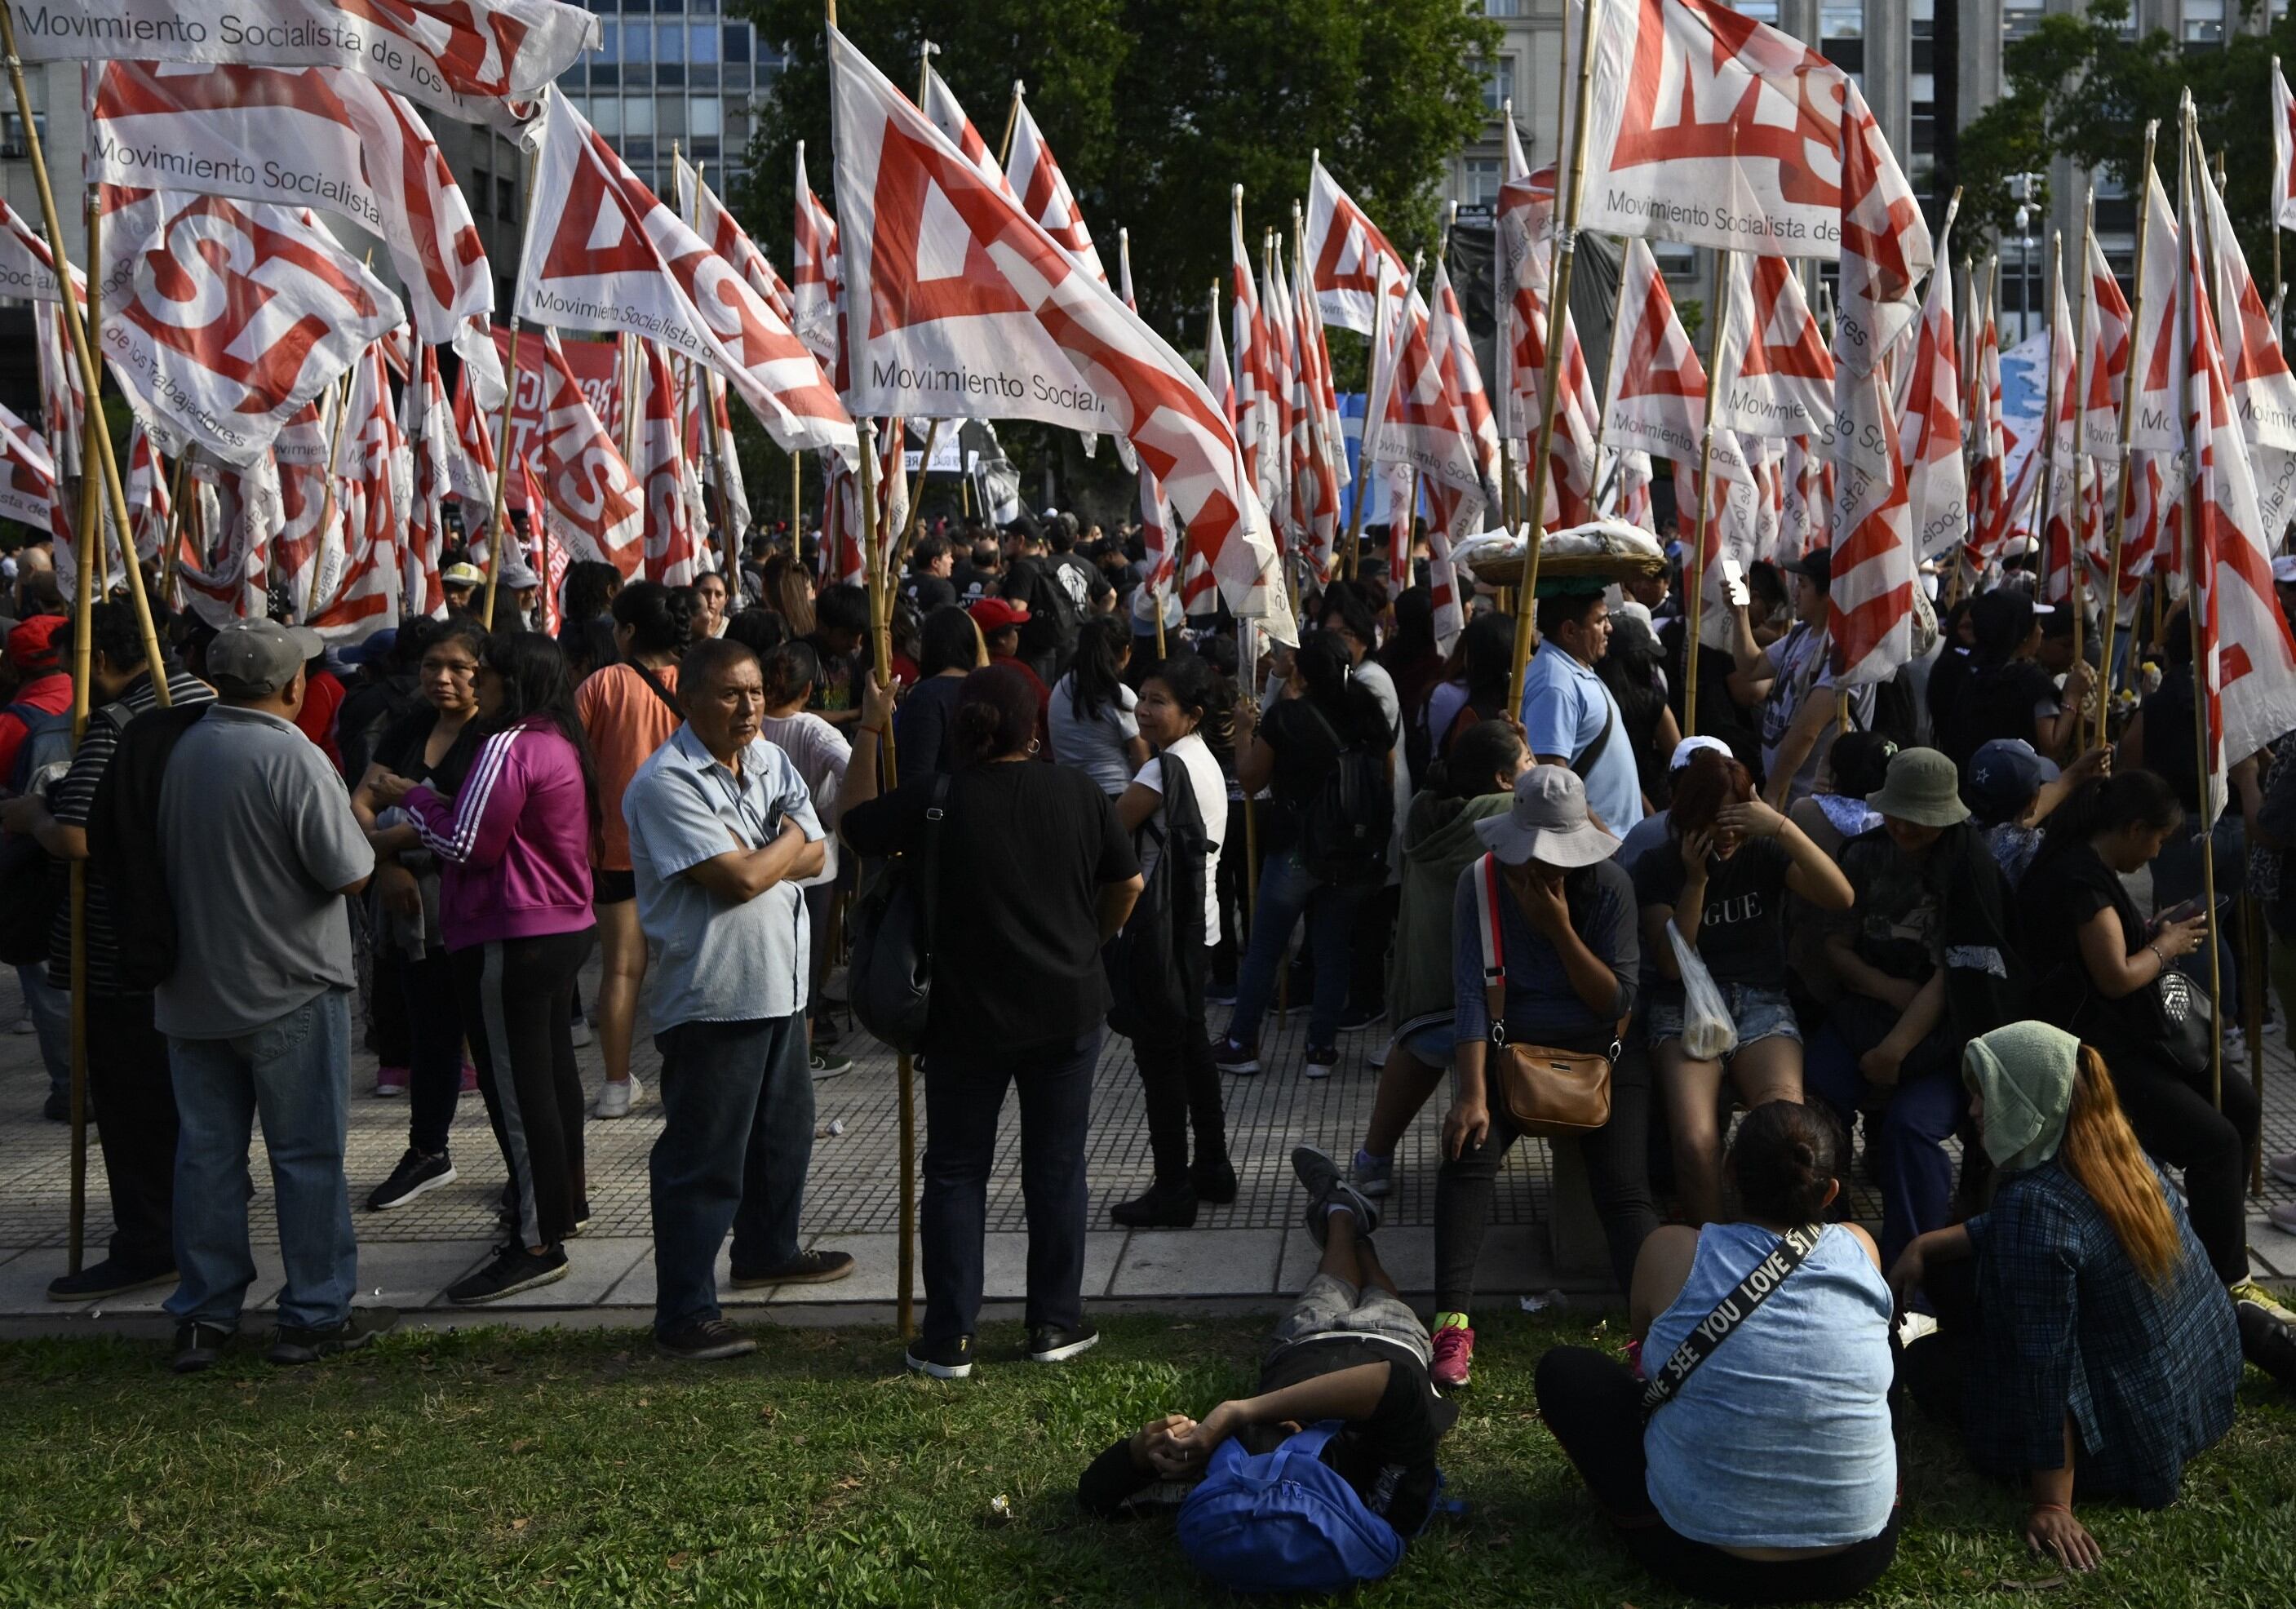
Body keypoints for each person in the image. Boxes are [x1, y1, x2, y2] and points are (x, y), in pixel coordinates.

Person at [841, 664, 1141, 1377]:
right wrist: (1090, 943)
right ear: (1034, 728)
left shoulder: (935, 798)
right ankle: (1055, 1324)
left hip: (961, 1016)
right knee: (1057, 1167)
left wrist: (869, 728)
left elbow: (854, 827)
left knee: (954, 1171)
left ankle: (950, 1337)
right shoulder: (1080, 793)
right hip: (1067, 1008)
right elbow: (1126, 883)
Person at [1894, 1024, 2242, 1571]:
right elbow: (2062, 1231)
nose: (1975, 1110)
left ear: (2030, 1100)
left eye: (1987, 1092)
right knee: (1952, 1273)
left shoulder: (2036, 1210)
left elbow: (2045, 1367)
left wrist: (2052, 1502)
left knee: (1925, 1363)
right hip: (2193, 1407)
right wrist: (1929, 1244)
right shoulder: (2111, 1147)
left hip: (2128, 1449)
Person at [1536, 1101, 1898, 1604]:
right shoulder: (1860, 1246)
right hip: (1855, 1558)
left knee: (1564, 1371)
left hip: (1700, 1555)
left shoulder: (1670, 1250)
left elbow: (1644, 1354)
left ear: (1728, 1172)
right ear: (1831, 1190)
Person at [152, 619, 388, 1372]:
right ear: (292, 686)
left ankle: (204, 1317)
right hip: (289, 988)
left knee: (207, 1160)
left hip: (193, 992)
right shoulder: (292, 755)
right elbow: (350, 870)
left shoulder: (184, 747)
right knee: (307, 1158)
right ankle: (314, 1313)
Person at [624, 637, 853, 1361]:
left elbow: (820, 855)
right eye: (730, 693)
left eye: (756, 691)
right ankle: (685, 1312)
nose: (749, 706)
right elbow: (741, 880)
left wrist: (777, 846)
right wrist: (788, 840)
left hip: (783, 986)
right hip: (716, 995)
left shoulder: (769, 759)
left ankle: (767, 1249)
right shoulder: (665, 783)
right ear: (687, 699)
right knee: (704, 1159)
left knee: (783, 1135)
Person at [1077, 1154, 1455, 1577]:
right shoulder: (1385, 1506)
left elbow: (1095, 1497)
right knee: (1379, 1293)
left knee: (1329, 1283)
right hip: (1390, 1341)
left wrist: (1141, 1452)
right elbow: (1394, 1384)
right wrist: (1242, 1411)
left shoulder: (1223, 1475)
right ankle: (1350, 1224)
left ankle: (1342, 1218)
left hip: (1305, 1342)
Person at [0, 602, 213, 1300]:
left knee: (133, 1108)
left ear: (100, 660)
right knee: (183, 1106)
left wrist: (33, 815)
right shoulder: (200, 699)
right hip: (192, 933)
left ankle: (149, 1242)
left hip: (122, 945)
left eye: (73, 665)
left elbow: (80, 837)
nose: (68, 680)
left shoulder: (124, 723)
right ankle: (191, 1228)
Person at [379, 632, 597, 1305]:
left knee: (519, 1088)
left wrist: (413, 797)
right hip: (557, 926)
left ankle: (536, 1240)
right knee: (551, 1078)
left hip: (515, 931)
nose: (476, 687)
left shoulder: (511, 744)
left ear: (511, 682)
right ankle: (563, 1206)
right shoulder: (558, 739)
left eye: (485, 676)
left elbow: (467, 843)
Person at [1431, 766, 1657, 1387]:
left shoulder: (1610, 887)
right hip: (1513, 1045)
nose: (1545, 868)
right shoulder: (1477, 886)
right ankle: (1452, 1323)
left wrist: (1558, 928)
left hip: (1604, 1050)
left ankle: (1652, 1336)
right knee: (1466, 1151)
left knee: (1623, 1186)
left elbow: (1615, 1001)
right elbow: (1471, 995)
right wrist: (1473, 1095)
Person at [2019, 770, 2269, 1299]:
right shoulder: (2081, 882)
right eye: (2158, 839)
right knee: (2215, 1141)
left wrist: (2152, 931)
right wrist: (2169, 945)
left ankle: (2221, 1250)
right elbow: (2116, 978)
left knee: (2241, 1105)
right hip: (2096, 1048)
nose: (2157, 853)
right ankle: (2225, 1286)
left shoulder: (2094, 867)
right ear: (2134, 828)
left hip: (2140, 1032)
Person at [1804, 747, 2024, 1271]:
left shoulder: (1971, 870)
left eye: (1919, 820)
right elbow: (1835, 944)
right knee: (1814, 1097)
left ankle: (1916, 1265)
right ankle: (1824, 1240)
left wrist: (1896, 1048)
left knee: (1913, 1126)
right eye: (1897, 814)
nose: (1904, 828)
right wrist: (1884, 989)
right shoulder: (1863, 854)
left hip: (1946, 1033)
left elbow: (1962, 974)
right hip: (1864, 1012)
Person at [1636, 750, 1854, 1226]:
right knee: (1697, 1141)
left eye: (1738, 822)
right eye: (1717, 824)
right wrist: (1696, 882)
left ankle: (1785, 1249)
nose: (1730, 836)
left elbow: (1841, 896)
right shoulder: (1657, 866)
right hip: (1683, 1009)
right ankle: (1711, 1253)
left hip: (1761, 1007)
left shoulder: (1763, 850)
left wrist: (1778, 826)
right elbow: (1672, 965)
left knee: (1788, 1129)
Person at [1349, 720, 1528, 1199]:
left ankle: (1374, 1159)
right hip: (1493, 988)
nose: (1536, 769)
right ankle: (1477, 1150)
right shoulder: (1511, 815)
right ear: (1504, 781)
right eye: (1528, 762)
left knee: (1418, 1056)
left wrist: (1513, 746)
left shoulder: (1428, 809)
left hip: (1425, 982)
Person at [350, 618, 489, 1211]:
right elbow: (361, 797)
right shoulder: (408, 726)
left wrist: (395, 837)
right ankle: (428, 1150)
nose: (443, 678)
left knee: (488, 1038)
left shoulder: (494, 735)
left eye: (459, 667)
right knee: (429, 1034)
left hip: (475, 906)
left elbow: (466, 819)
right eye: (434, 665)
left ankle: (530, 1167)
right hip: (408, 910)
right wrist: (386, 866)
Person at [1214, 632, 1394, 1078]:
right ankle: (1320, 1049)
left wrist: (1241, 731)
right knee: (1333, 946)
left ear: (1302, 672)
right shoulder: (1369, 713)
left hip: (1295, 850)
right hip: (1352, 852)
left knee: (1265, 947)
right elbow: (1385, 776)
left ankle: (1241, 1042)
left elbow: (1252, 780)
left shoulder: (1286, 718)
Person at [1107, 654, 1234, 1227]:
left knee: (1160, 1061)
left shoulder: (1160, 772)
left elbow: (1107, 837)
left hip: (1158, 933)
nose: (1145, 710)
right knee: (1191, 1048)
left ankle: (1173, 1190)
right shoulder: (1203, 760)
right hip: (1198, 925)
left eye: (1160, 701)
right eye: (1144, 697)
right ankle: (1213, 1168)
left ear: (1193, 713)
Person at [574, 581, 696, 1119]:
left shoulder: (601, 685)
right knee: (686, 967)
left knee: (621, 969)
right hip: (691, 848)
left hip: (615, 849)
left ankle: (617, 1086)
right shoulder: (698, 681)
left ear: (625, 631)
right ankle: (684, 1086)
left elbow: (572, 762)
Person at [754, 640, 856, 1078]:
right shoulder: (816, 730)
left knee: (771, 961)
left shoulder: (751, 724)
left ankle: (780, 1056)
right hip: (814, 859)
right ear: (809, 687)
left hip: (759, 855)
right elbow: (855, 769)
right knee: (807, 964)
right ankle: (802, 1056)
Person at [1728, 548, 1873, 809]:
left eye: (1803, 585)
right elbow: (1750, 667)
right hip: (1782, 787)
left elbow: (1807, 731)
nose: (1795, 593)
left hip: (1807, 799)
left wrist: (1772, 793)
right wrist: (1740, 614)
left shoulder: (1846, 650)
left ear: (1830, 593)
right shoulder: (1801, 634)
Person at [1517, 590, 1643, 834]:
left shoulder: (1574, 668)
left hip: (1620, 839)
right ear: (1570, 631)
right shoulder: (1554, 683)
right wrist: (1605, 841)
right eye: (1599, 621)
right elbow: (1552, 773)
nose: (1609, 629)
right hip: (1598, 846)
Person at [1966, 738, 2105, 886]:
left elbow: (2016, 823)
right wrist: (2094, 792)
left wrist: (2075, 774)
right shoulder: (2029, 849)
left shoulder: (1962, 830)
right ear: (2033, 801)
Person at [1048, 614, 1148, 796]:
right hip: (1114, 795)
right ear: (1125, 651)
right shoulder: (1119, 696)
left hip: (1067, 795)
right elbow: (1142, 761)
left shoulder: (1061, 688)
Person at [1597, 602, 1682, 813]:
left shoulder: (1595, 697)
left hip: (1605, 800)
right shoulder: (1652, 705)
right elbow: (1678, 760)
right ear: (1639, 659)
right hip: (1655, 799)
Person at [898, 605, 987, 779]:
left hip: (941, 802)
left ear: (929, 648)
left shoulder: (926, 696)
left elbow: (915, 777)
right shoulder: (993, 687)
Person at [904, 533, 959, 612]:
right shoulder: (944, 589)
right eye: (948, 557)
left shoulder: (903, 585)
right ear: (935, 562)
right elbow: (945, 621)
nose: (952, 561)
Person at [692, 570, 731, 640]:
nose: (711, 600)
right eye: (706, 592)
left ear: (726, 599)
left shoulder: (731, 629)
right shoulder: (684, 629)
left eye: (718, 595)